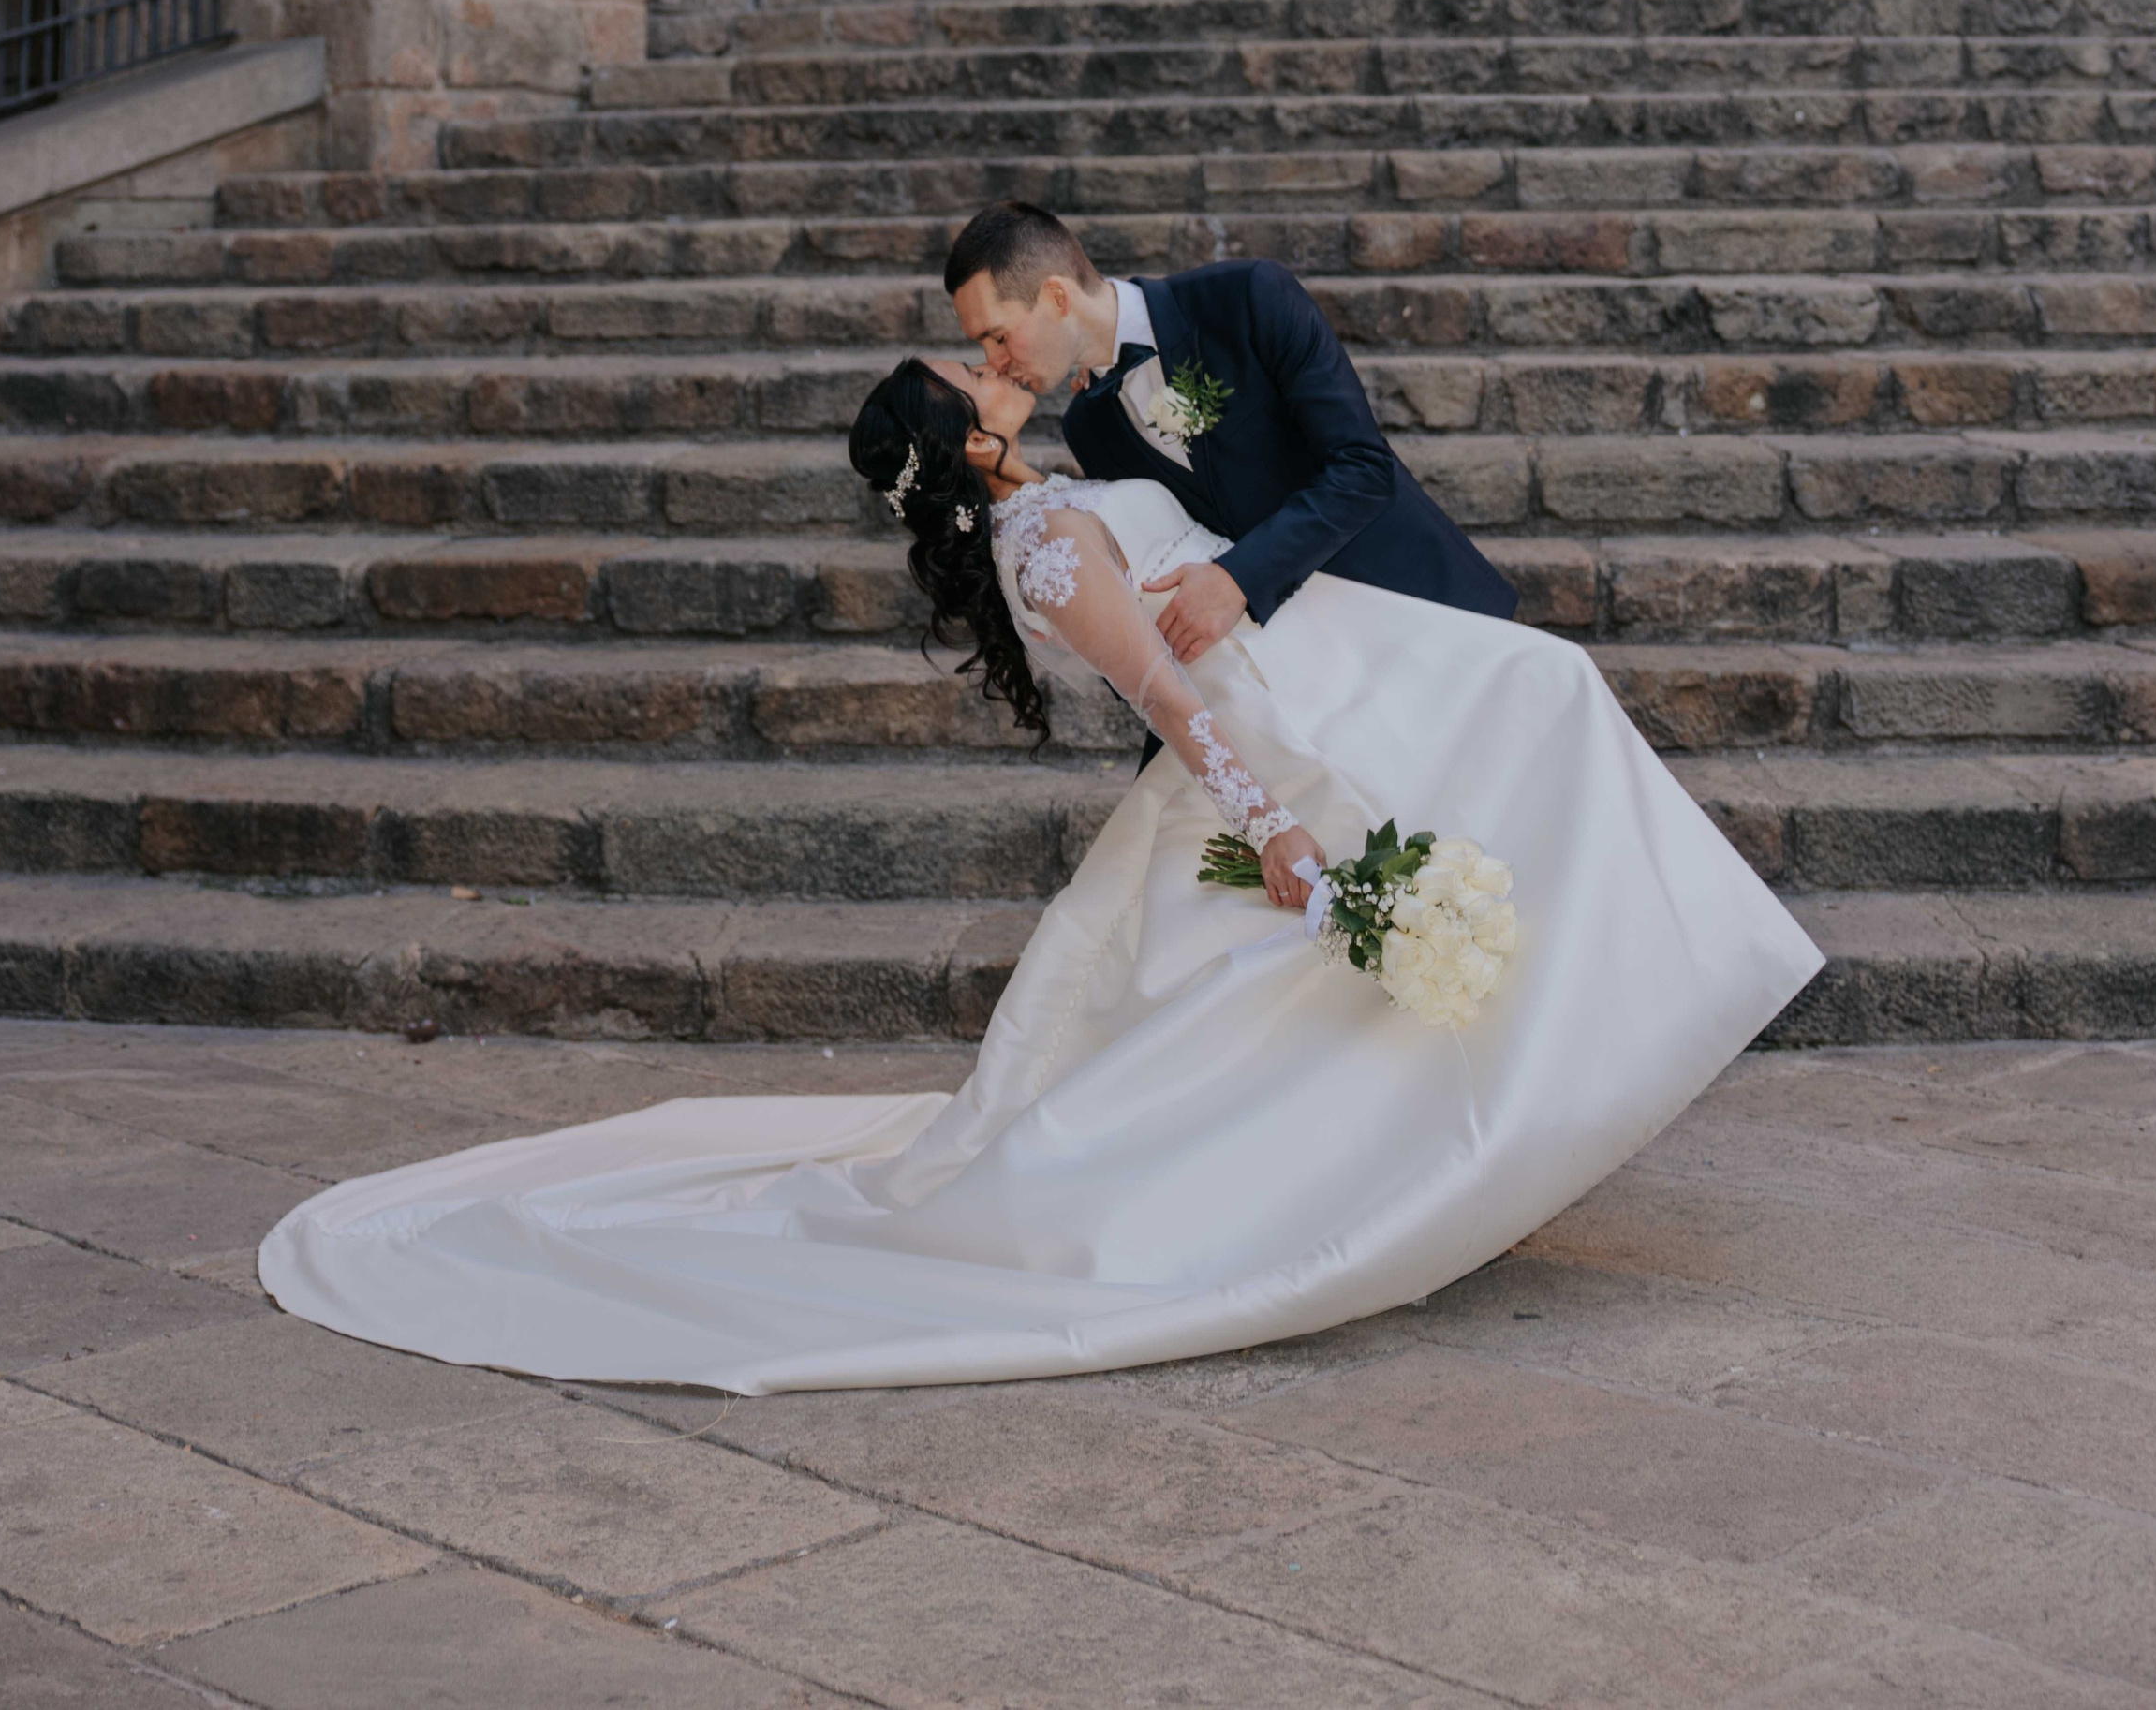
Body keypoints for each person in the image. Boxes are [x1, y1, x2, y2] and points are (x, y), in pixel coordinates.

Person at [259, 353, 1822, 1395]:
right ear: (975, 443)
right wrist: (1272, 821)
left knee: (1516, 739)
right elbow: (1166, 695)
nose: (1003, 365)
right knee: (1408, 861)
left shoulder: (1054, 503)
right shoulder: (1052, 543)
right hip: (1267, 739)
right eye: (980, 375)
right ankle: (1367, 1182)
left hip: (1320, 686)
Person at [944, 198, 1516, 663]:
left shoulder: (1247, 298)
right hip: (1312, 673)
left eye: (997, 336)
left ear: (1056, 297)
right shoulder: (1088, 425)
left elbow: (1364, 468)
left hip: (1429, 615)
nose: (992, 363)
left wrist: (1237, 579)